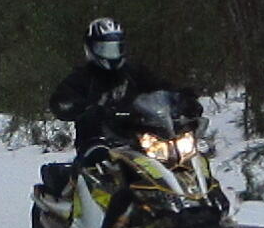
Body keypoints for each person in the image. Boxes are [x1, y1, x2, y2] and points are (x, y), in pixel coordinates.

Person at [48, 17, 173, 157]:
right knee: (98, 162)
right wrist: (87, 109)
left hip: (140, 141)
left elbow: (161, 88)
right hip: (98, 146)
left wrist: (183, 98)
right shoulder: (82, 78)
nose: (112, 55)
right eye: (104, 49)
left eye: (116, 48)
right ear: (90, 49)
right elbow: (60, 102)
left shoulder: (134, 73)